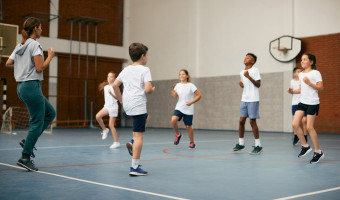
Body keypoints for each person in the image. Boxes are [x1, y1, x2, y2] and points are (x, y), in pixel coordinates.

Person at [5, 17, 56, 171]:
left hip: (21, 88)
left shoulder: (20, 45)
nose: (42, 30)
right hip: (32, 87)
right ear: (35, 29)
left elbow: (8, 63)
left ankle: (28, 141)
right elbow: (40, 68)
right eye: (40, 28)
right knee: (37, 122)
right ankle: (25, 157)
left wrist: (22, 65)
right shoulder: (35, 45)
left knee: (50, 113)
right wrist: (50, 57)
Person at [113, 42, 155, 176]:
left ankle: (132, 141)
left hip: (128, 104)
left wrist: (120, 99)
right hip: (138, 104)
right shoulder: (145, 70)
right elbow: (148, 89)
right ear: (143, 56)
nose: (147, 57)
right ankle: (134, 167)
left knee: (146, 117)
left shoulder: (125, 70)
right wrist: (151, 89)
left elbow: (115, 85)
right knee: (139, 136)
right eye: (147, 55)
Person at [290, 53, 324, 164]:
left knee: (309, 127)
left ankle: (318, 152)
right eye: (301, 59)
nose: (302, 61)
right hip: (302, 102)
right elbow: (301, 89)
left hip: (313, 103)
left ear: (311, 62)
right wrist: (293, 91)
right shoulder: (300, 75)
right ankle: (305, 146)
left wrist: (309, 83)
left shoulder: (315, 73)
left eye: (305, 59)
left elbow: (321, 88)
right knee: (295, 124)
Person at [232, 53, 262, 154]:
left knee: (252, 121)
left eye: (248, 58)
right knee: (241, 121)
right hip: (244, 99)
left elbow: (258, 84)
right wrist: (241, 85)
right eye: (245, 57)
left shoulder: (255, 70)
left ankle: (258, 145)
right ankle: (241, 144)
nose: (246, 58)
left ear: (252, 61)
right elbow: (246, 86)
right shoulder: (242, 72)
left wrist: (249, 77)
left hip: (253, 99)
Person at [171, 69, 201, 149]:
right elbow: (175, 96)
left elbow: (199, 95)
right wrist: (173, 93)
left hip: (188, 108)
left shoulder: (191, 85)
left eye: (183, 74)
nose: (181, 76)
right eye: (180, 74)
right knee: (173, 120)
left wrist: (191, 102)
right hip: (179, 107)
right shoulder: (177, 85)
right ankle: (178, 134)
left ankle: (192, 143)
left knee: (188, 127)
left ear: (187, 76)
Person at [96, 72, 120, 149]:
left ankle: (116, 142)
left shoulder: (116, 87)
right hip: (106, 107)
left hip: (113, 107)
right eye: (108, 76)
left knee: (111, 125)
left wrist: (111, 94)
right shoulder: (106, 87)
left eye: (111, 77)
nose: (109, 78)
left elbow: (118, 98)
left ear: (115, 78)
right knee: (98, 116)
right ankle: (105, 130)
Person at [286, 67, 308, 145]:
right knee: (295, 121)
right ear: (294, 73)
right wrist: (289, 91)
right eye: (297, 71)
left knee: (304, 121)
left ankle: (305, 136)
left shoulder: (303, 80)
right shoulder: (292, 81)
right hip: (294, 103)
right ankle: (296, 136)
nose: (299, 73)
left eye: (300, 71)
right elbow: (292, 92)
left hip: (303, 102)